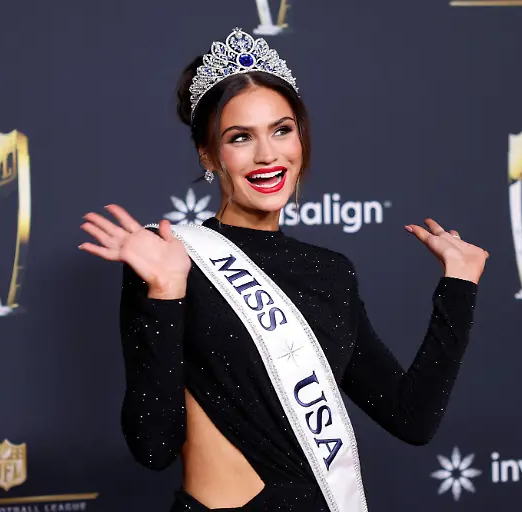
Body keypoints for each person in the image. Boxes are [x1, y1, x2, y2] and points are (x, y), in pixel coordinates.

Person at [79, 27, 488, 512]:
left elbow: (411, 417)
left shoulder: (331, 273)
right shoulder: (171, 256)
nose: (267, 155)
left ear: (301, 139)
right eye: (240, 137)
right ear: (209, 155)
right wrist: (166, 293)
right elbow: (153, 447)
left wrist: (459, 286)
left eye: (281, 130)